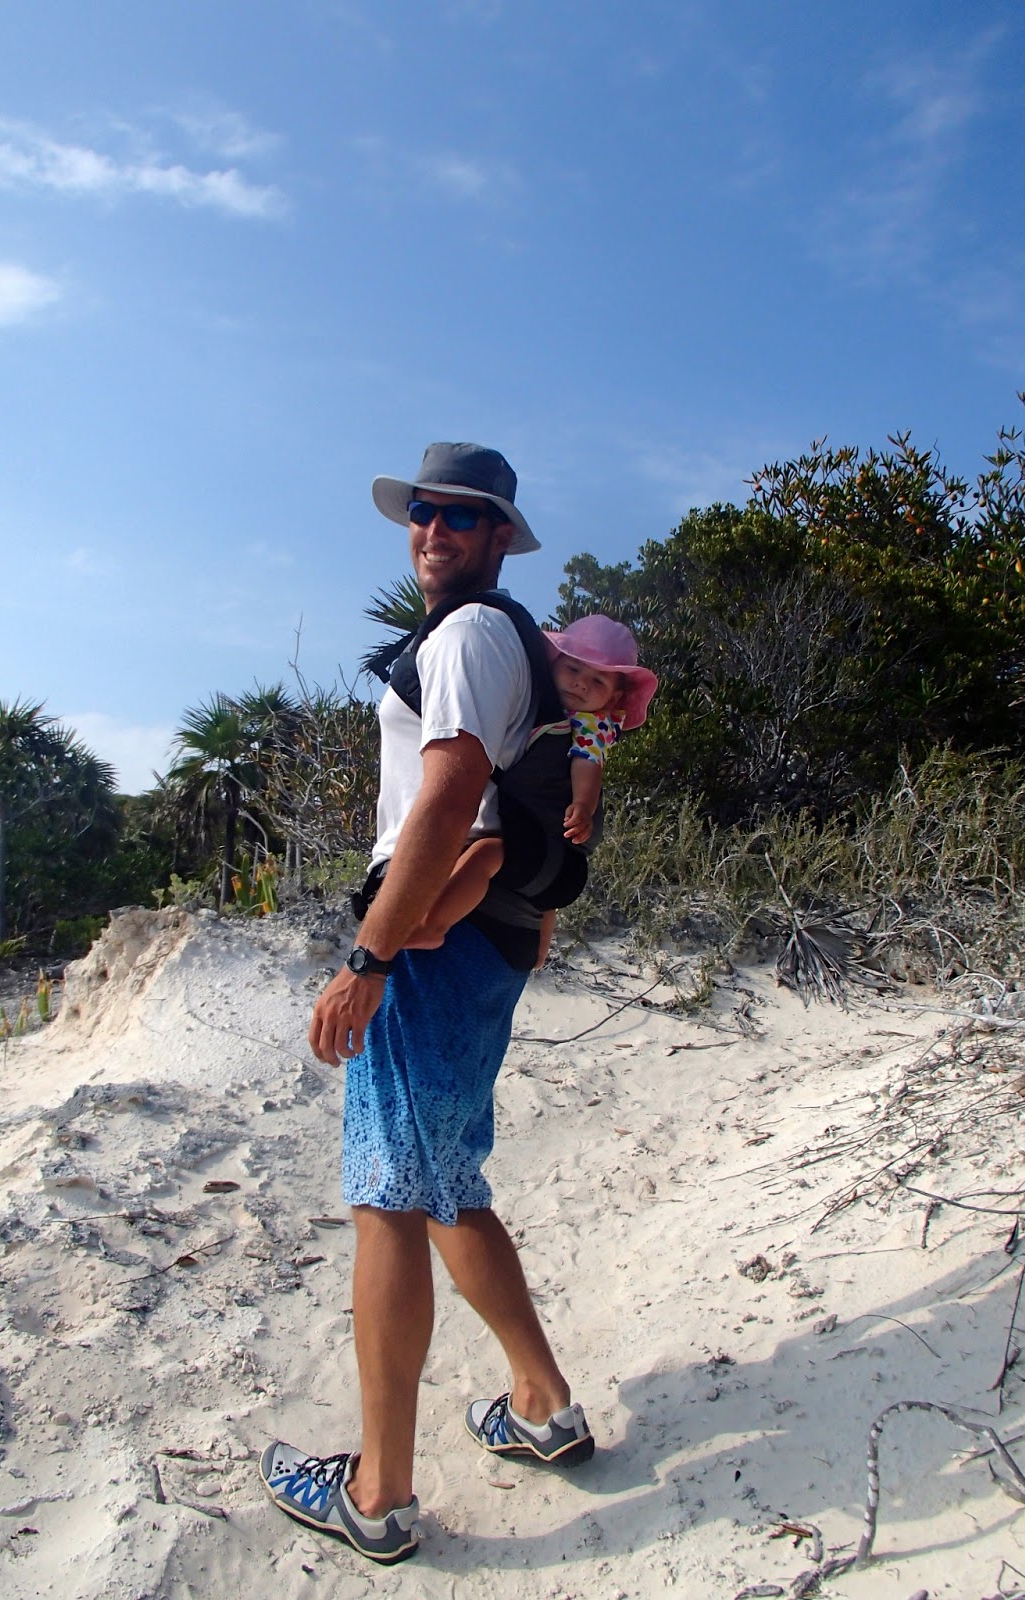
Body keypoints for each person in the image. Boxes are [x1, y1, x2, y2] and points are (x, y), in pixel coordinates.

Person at [259, 443, 593, 1565]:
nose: (434, 530)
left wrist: (371, 955)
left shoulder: (464, 637)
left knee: (388, 1202)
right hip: (479, 941)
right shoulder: (512, 642)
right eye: (423, 512)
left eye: (460, 515)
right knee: (448, 1188)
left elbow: (449, 799)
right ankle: (541, 1404)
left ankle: (379, 1495)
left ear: (499, 536)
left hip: (431, 944)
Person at [402, 613, 658, 951]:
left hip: (551, 856)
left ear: (613, 699)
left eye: (598, 682)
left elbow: (588, 764)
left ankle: (433, 924)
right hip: (552, 864)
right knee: (532, 882)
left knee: (487, 854)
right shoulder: (546, 711)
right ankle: (540, 945)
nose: (581, 684)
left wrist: (583, 805)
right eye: (573, 669)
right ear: (554, 664)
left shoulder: (590, 725)